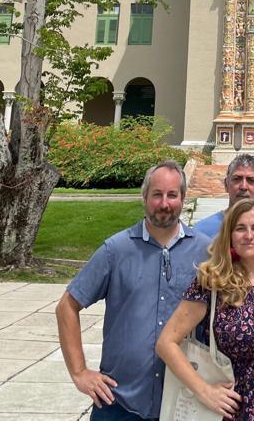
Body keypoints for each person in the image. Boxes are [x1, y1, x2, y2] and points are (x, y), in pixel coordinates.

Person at [56, 161, 206, 421]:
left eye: (172, 195)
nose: (164, 203)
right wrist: (79, 372)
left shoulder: (206, 252)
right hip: (119, 402)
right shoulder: (116, 250)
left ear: (183, 198)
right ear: (144, 196)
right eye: (157, 194)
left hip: (184, 402)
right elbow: (67, 307)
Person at [157, 198, 254, 421]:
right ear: (230, 235)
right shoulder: (214, 282)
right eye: (240, 228)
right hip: (229, 409)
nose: (249, 235)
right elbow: (166, 343)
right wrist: (204, 391)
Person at [194, 153, 254, 260]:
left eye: (251, 180)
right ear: (226, 184)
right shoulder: (201, 230)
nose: (243, 186)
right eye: (237, 179)